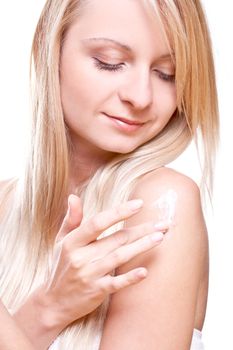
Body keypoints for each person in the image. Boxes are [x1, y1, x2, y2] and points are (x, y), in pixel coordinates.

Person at [0, 0, 219, 349]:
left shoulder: (159, 202)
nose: (141, 96)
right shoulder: (4, 204)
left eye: (167, 74)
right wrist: (47, 310)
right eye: (110, 62)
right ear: (49, 48)